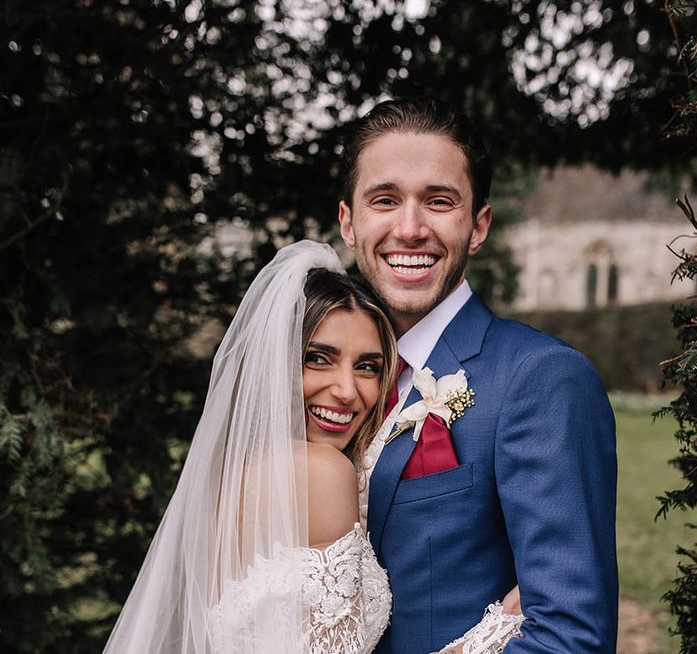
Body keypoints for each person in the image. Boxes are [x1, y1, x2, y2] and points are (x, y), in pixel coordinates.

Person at [339, 97, 618, 653]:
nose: (411, 227)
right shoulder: (326, 384)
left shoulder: (541, 379)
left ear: (478, 225)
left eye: (439, 202)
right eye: (385, 200)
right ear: (349, 221)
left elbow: (569, 639)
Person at [103, 241, 397, 653]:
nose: (348, 390)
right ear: (276, 363)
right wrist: (493, 635)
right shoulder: (322, 470)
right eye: (317, 358)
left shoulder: (228, 480)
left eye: (368, 366)